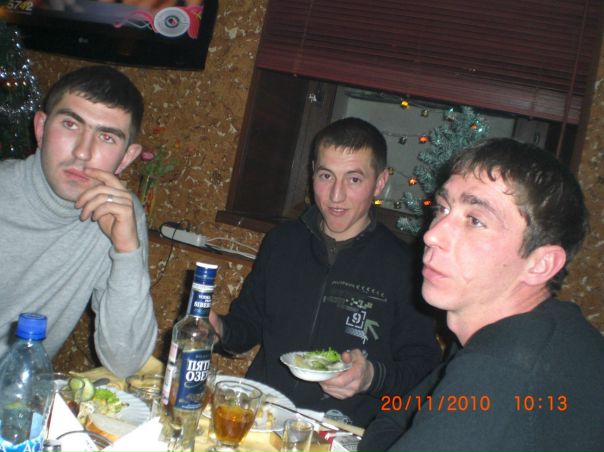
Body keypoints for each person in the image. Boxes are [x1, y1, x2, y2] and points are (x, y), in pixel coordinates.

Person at [359, 138, 604, 451]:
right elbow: (394, 420)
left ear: (540, 264)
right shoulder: (533, 331)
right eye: (442, 208)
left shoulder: (502, 366)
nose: (432, 235)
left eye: (475, 220)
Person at [209, 117, 441, 427]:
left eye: (354, 179)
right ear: (312, 173)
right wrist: (219, 330)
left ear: (380, 182)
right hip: (262, 414)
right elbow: (247, 325)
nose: (336, 195)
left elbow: (423, 366)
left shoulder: (404, 266)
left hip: (341, 428)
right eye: (326, 176)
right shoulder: (281, 242)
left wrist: (371, 377)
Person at [0, 65, 158, 377]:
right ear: (41, 128)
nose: (83, 152)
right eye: (71, 124)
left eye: (107, 137)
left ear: (127, 158)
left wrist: (127, 250)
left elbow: (125, 361)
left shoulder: (119, 215)